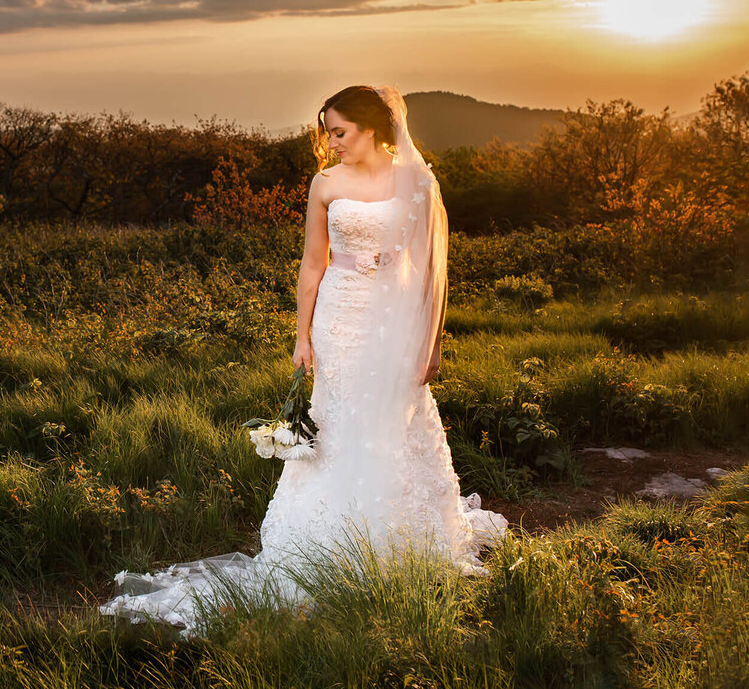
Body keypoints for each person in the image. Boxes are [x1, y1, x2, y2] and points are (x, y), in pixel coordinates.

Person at [99, 85, 508, 639]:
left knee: (396, 417)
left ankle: (404, 537)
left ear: (370, 127)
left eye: (339, 131)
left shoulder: (417, 179)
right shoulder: (325, 184)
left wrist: (430, 341)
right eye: (328, 132)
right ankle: (325, 541)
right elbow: (313, 264)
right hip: (339, 316)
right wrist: (302, 337)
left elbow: (433, 268)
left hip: (393, 317)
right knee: (337, 421)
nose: (330, 142)